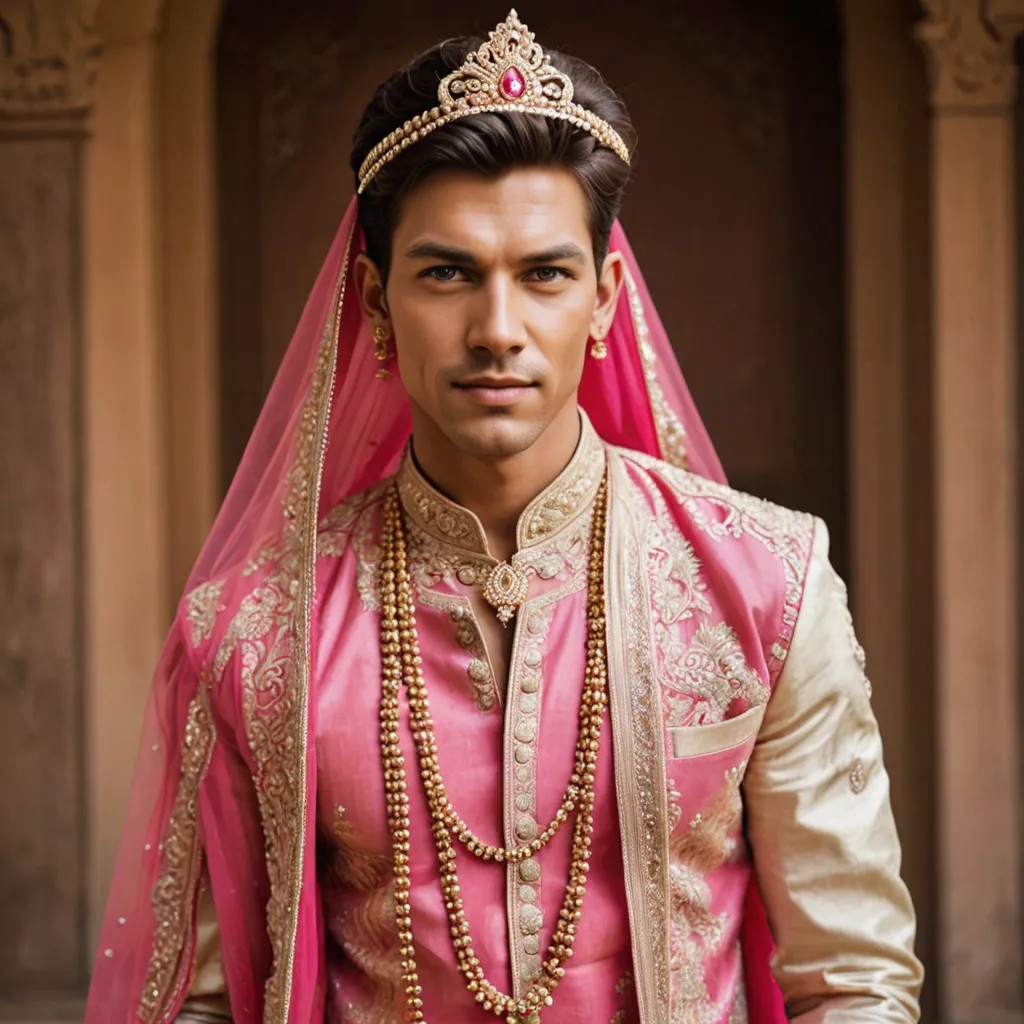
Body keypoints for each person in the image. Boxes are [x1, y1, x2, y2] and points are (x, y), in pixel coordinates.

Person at [85, 11, 923, 1024]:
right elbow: (203, 1002)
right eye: (447, 273)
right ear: (376, 298)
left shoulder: (764, 585)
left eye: (543, 274)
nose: (497, 330)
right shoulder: (257, 630)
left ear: (606, 298)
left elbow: (854, 980)